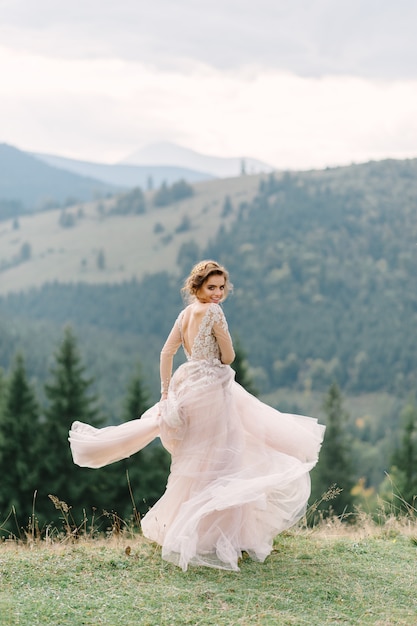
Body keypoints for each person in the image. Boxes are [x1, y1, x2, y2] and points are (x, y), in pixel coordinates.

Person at [69, 260, 325, 571]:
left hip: (187, 385)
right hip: (214, 391)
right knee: (225, 460)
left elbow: (166, 353)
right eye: (211, 287)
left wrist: (166, 393)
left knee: (197, 462)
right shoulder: (214, 313)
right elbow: (228, 356)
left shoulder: (185, 314)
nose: (217, 293)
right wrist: (221, 349)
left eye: (221, 288)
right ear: (197, 287)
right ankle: (224, 538)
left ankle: (198, 534)